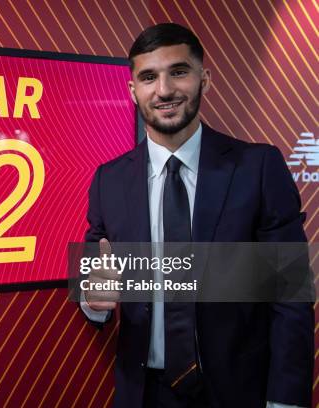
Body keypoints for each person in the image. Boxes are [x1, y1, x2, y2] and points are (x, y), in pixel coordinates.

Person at [80, 23, 313, 408]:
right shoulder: (109, 179)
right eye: (148, 77)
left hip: (238, 392)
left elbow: (290, 295)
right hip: (142, 393)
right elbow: (94, 278)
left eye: (179, 72)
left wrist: (286, 400)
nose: (165, 90)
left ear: (204, 78)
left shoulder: (257, 167)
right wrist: (93, 299)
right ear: (133, 91)